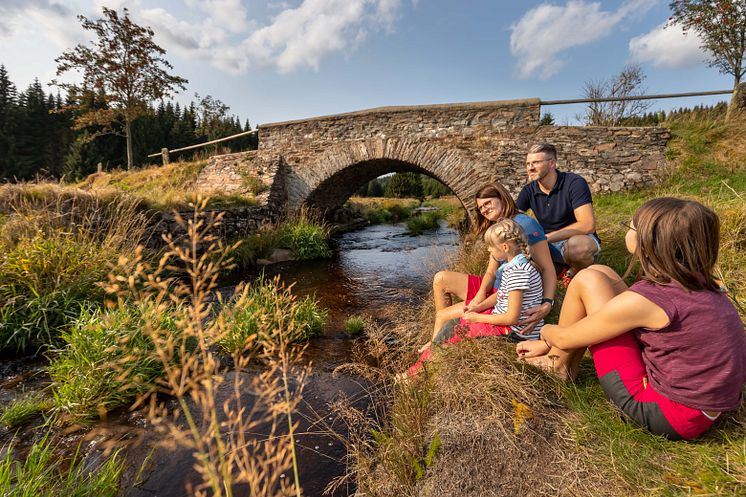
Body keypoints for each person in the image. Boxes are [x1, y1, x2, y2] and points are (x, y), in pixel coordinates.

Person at [517, 198, 745, 440]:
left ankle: (558, 365)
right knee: (600, 272)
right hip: (707, 404)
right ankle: (559, 359)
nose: (628, 229)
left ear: (648, 244)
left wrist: (547, 333)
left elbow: (564, 337)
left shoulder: (650, 300)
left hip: (669, 414)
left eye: (632, 226)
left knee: (585, 280)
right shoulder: (700, 284)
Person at [408, 218, 544, 376]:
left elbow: (512, 318)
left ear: (505, 247)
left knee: (451, 337)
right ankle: (423, 364)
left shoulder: (517, 272)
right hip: (504, 324)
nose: (488, 251)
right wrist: (479, 307)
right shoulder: (516, 266)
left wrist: (478, 318)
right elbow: (502, 294)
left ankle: (416, 374)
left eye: (491, 247)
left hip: (514, 334)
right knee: (451, 324)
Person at [433, 182, 556, 333]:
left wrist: (547, 303)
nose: (484, 209)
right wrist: (479, 297)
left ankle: (436, 346)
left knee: (443, 316)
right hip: (494, 290)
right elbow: (491, 272)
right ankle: (438, 338)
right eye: (480, 208)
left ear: (502, 198)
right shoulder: (497, 227)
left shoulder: (526, 224)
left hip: (505, 294)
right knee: (441, 279)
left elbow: (547, 268)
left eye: (487, 203)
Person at [516, 143, 600, 277]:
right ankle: (560, 270)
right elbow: (512, 218)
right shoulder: (528, 191)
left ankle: (578, 272)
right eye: (528, 164)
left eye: (536, 162)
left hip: (577, 238)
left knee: (578, 248)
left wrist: (544, 238)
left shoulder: (574, 183)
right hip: (548, 245)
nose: (530, 168)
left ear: (552, 163)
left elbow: (587, 225)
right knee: (516, 251)